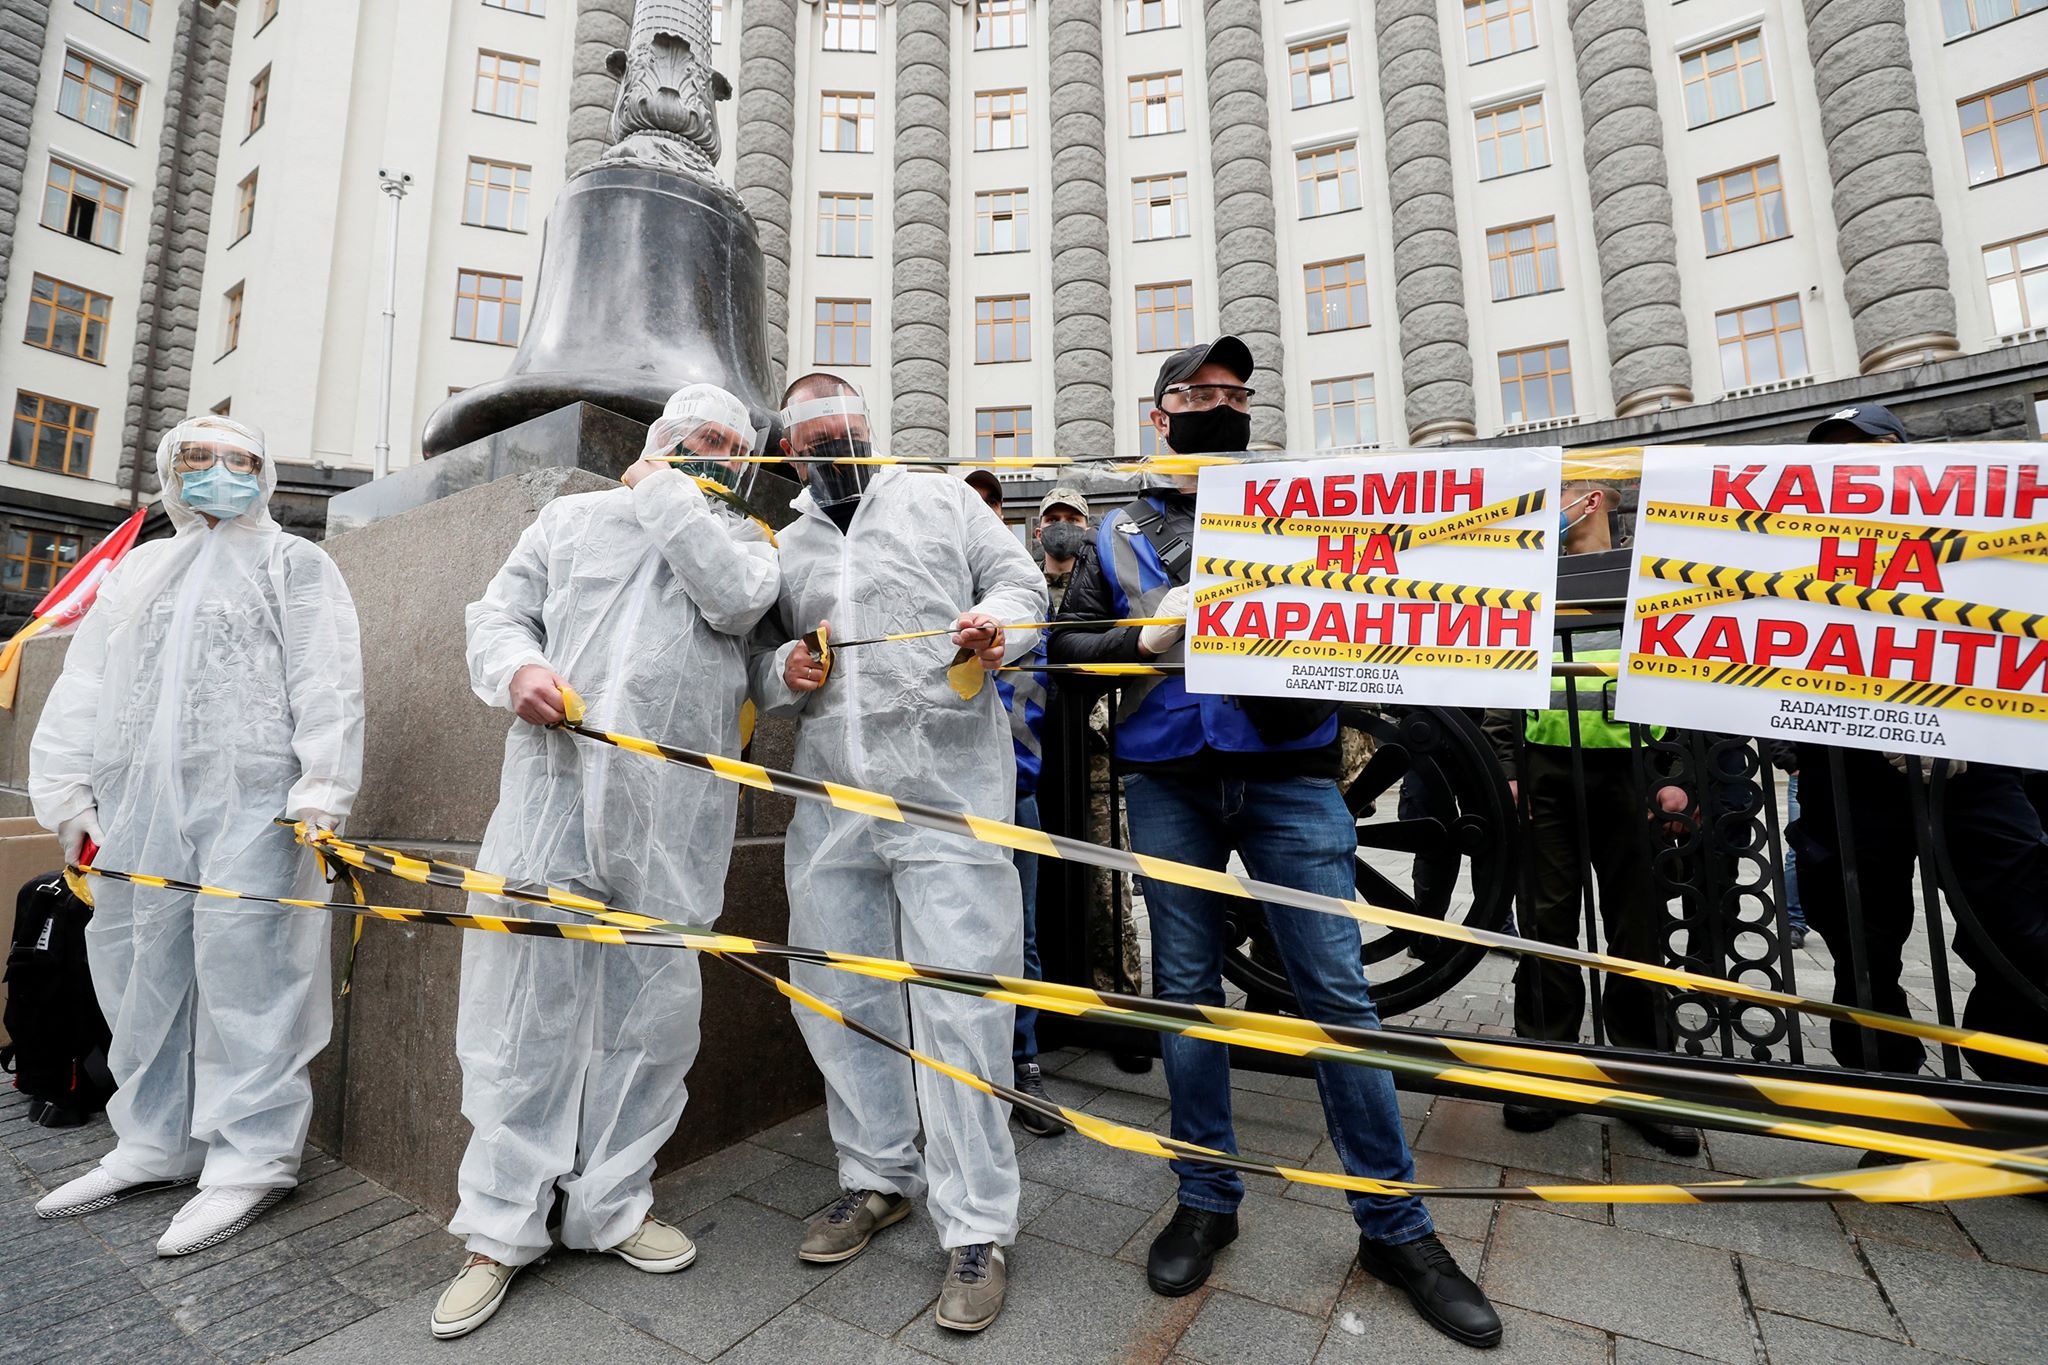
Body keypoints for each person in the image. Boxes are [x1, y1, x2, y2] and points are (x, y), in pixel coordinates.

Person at [1051, 338, 1501, 1349]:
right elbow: (1065, 647)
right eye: (1199, 393)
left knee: (1338, 994)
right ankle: (1204, 1196)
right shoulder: (1116, 531)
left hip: (1291, 777)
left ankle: (1394, 1226)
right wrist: (1142, 636)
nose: (1222, 404)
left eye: (1235, 394)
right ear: (1157, 413)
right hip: (1167, 780)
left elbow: (1379, 626)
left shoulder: (1302, 512)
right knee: (1186, 990)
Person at [432, 385, 778, 1339]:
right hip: (552, 797)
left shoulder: (745, 543)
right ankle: (498, 1230)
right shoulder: (572, 519)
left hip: (675, 817)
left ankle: (613, 1205)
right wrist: (518, 672)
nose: (720, 456)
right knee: (522, 1012)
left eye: (734, 448)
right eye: (703, 439)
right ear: (665, 437)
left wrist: (670, 494)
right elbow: (497, 615)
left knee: (652, 1013)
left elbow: (738, 604)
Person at [750, 373, 1047, 1332]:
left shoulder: (940, 498)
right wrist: (784, 670)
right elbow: (756, 658)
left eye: (848, 431)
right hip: (834, 804)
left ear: (871, 431)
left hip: (948, 799)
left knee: (960, 997)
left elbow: (1019, 582)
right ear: (790, 456)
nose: (836, 450)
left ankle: (976, 1228)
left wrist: (1000, 628)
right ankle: (876, 1175)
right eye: (817, 440)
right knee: (845, 992)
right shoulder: (788, 544)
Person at [28, 415, 364, 1256]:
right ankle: (154, 1142)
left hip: (253, 806)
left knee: (247, 972)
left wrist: (322, 784)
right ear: (169, 469)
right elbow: (86, 681)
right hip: (140, 805)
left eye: (240, 459)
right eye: (199, 458)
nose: (220, 471)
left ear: (267, 470)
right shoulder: (139, 570)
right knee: (140, 964)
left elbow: (326, 677)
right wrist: (67, 793)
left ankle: (250, 1158)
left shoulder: (294, 562)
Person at [1787, 403, 2048, 1087]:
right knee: (1860, 944)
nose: (1854, 468)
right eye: (1835, 458)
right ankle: (1888, 1088)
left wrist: (1962, 723)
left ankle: (2017, 1089)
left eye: (1868, 450)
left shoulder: (1980, 532)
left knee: (2016, 925)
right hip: (1848, 774)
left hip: (1976, 768)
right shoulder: (1797, 550)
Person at [1481, 483, 1700, 1156]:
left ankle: (1643, 1076)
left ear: (1597, 497)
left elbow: (1684, 661)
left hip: (1632, 765)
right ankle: (1545, 1067)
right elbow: (1499, 663)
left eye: (1570, 490)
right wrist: (1504, 761)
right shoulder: (1526, 574)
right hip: (1544, 764)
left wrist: (1675, 772)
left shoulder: (1649, 571)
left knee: (1639, 923)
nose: (1558, 504)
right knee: (1548, 921)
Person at [1035, 487, 1091, 611]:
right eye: (1053, 520)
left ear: (1086, 534)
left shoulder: (1103, 588)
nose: (1062, 527)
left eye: (1072, 520)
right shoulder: (1026, 587)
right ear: (1039, 534)